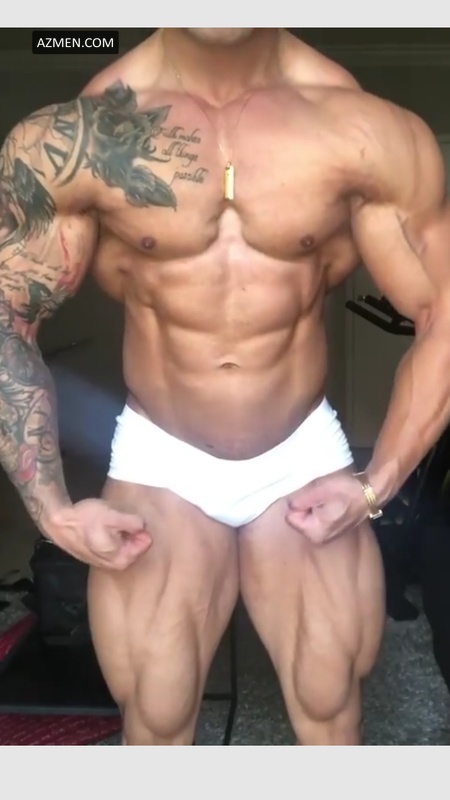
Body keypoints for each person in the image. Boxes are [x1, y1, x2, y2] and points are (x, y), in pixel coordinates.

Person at [1, 27, 450, 747]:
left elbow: (443, 314)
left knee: (330, 702)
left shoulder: (364, 131)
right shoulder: (76, 137)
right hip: (162, 458)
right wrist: (50, 509)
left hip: (300, 452)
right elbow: (8, 318)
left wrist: (378, 483)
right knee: (158, 712)